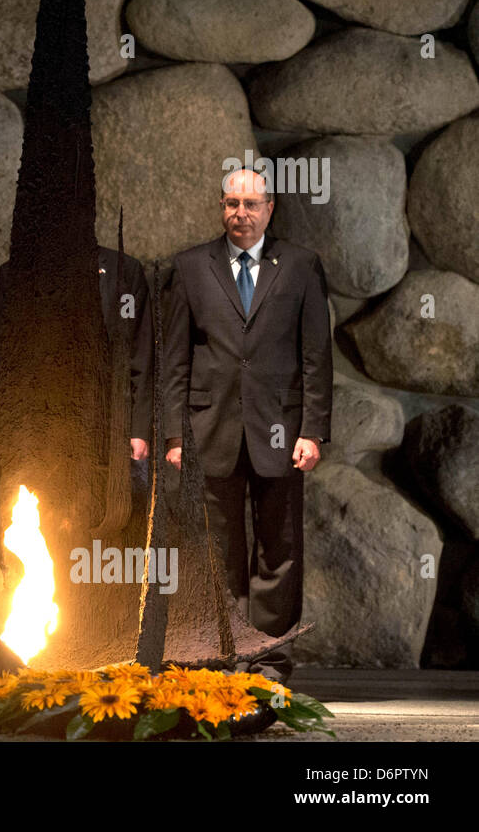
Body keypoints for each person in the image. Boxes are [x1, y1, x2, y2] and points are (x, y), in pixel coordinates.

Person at [163, 166, 332, 683]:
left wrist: (313, 430)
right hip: (208, 430)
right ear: (221, 207)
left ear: (269, 208)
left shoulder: (301, 265)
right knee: (218, 553)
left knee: (278, 549)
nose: (241, 212)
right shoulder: (191, 267)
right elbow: (173, 360)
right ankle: (222, 655)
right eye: (232, 203)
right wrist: (174, 434)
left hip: (281, 432)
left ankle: (269, 661)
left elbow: (316, 355)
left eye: (251, 204)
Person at [98, 246, 154, 491]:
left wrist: (139, 429)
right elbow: (0, 358)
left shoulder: (124, 270)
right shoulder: (19, 271)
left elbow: (141, 355)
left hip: (111, 425)